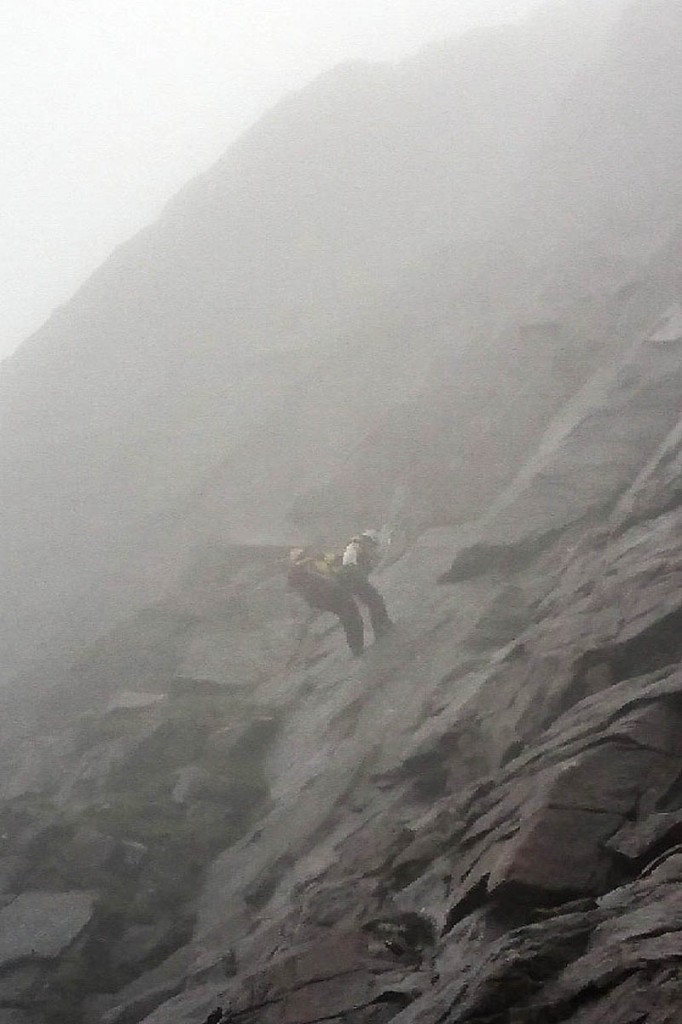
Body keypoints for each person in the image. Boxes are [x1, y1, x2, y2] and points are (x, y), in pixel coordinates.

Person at [287, 548, 365, 656]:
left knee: (351, 616)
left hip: (334, 594)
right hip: (331, 598)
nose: (305, 557)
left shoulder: (309, 568)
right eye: (301, 556)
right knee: (350, 618)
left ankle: (357, 646)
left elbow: (330, 566)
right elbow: (295, 579)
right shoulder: (300, 572)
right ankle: (357, 648)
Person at [339, 531, 393, 640]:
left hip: (352, 579)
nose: (372, 546)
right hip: (355, 579)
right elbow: (358, 565)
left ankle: (384, 624)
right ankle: (380, 628)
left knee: (374, 601)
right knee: (375, 601)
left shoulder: (353, 547)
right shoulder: (357, 547)